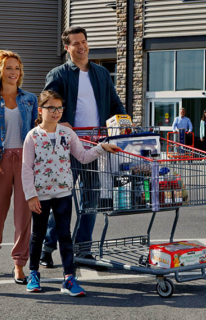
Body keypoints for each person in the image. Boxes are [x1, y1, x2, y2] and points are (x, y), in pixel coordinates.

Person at [40, 26, 126, 269]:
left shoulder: (101, 73)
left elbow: (114, 103)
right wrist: (59, 120)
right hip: (68, 148)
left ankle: (83, 250)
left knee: (91, 200)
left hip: (95, 148)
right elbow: (47, 104)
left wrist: (125, 124)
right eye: (75, 43)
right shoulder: (58, 74)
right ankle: (47, 247)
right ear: (67, 48)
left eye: (84, 41)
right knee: (63, 202)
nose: (81, 46)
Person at [22, 90, 121, 295]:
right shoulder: (32, 136)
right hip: (40, 196)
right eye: (51, 108)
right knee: (37, 235)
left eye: (59, 108)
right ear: (40, 110)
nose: (56, 112)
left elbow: (83, 156)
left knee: (64, 235)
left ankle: (69, 278)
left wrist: (102, 148)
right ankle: (33, 273)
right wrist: (30, 195)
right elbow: (26, 168)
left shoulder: (67, 133)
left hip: (63, 193)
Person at [0, 50, 38, 284]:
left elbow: (37, 131)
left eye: (17, 68)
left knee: (24, 216)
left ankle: (19, 263)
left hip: (26, 161)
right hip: (0, 161)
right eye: (9, 68)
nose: (14, 72)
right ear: (0, 71)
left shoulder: (30, 99)